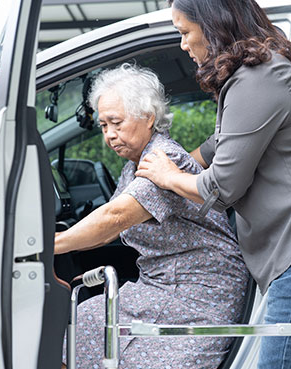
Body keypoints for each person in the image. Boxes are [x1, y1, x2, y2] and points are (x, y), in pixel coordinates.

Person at [135, 1, 291, 368]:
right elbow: (218, 147)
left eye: (184, 32)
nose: (182, 45)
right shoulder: (268, 72)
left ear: (214, 25)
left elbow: (223, 186)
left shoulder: (255, 79)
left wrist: (169, 177)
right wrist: (170, 160)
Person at [55, 63, 249, 368]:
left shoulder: (162, 158)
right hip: (163, 287)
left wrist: (48, 243)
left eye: (116, 122)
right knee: (81, 324)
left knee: (82, 328)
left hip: (199, 291)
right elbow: (113, 226)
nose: (109, 134)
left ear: (148, 117)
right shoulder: (135, 164)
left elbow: (116, 218)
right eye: (103, 125)